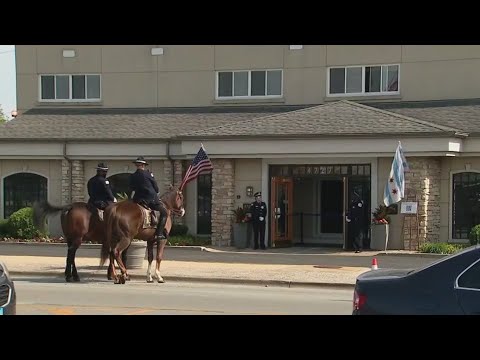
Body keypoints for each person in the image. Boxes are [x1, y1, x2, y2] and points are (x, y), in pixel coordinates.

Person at [129, 156, 168, 241]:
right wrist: (157, 192)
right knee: (164, 212)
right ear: (143, 165)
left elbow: (132, 187)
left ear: (136, 165)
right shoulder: (148, 174)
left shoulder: (133, 175)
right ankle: (159, 234)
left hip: (138, 200)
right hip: (150, 199)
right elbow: (155, 186)